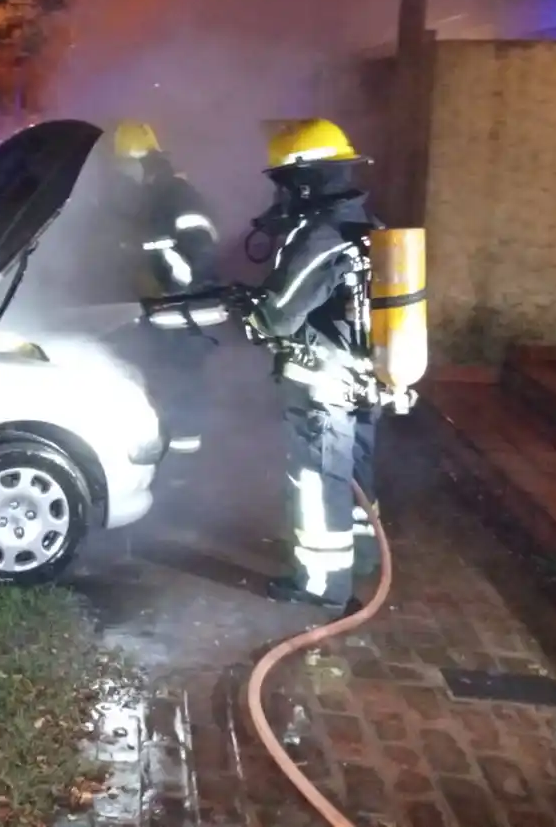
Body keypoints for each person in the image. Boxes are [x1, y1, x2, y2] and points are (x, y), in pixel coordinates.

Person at [243, 118, 381, 612]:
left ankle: (321, 585)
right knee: (353, 477)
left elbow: (279, 316)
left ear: (305, 179)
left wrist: (254, 319)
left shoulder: (321, 237)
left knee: (318, 483)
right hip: (362, 381)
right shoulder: (365, 223)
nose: (281, 193)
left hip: (323, 389)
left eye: (284, 181)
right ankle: (360, 556)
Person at [109, 120, 221, 456]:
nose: (122, 176)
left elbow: (200, 251)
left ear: (142, 162)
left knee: (182, 397)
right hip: (166, 315)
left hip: (184, 316)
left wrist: (169, 286)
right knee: (163, 394)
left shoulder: (177, 196)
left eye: (125, 166)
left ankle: (182, 480)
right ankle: (168, 465)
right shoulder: (152, 197)